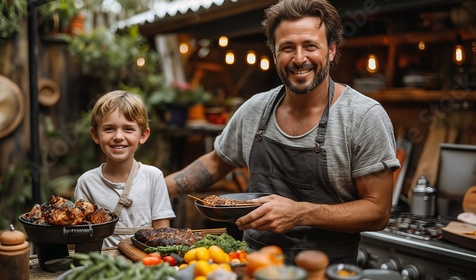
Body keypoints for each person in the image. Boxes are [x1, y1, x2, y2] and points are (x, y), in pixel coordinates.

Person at [166, 0, 401, 265]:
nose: (299, 59)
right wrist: (153, 190)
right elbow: (216, 162)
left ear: (332, 50)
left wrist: (300, 213)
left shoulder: (363, 117)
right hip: (252, 264)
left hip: (325, 269)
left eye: (310, 46)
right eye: (288, 48)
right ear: (275, 54)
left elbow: (378, 211)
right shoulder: (255, 109)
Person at [75, 90, 175, 248]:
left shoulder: (153, 177)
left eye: (128, 129)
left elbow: (163, 232)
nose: (118, 136)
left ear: (143, 135)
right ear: (95, 135)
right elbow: (82, 235)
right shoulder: (87, 182)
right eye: (109, 129)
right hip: (103, 266)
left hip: (144, 263)